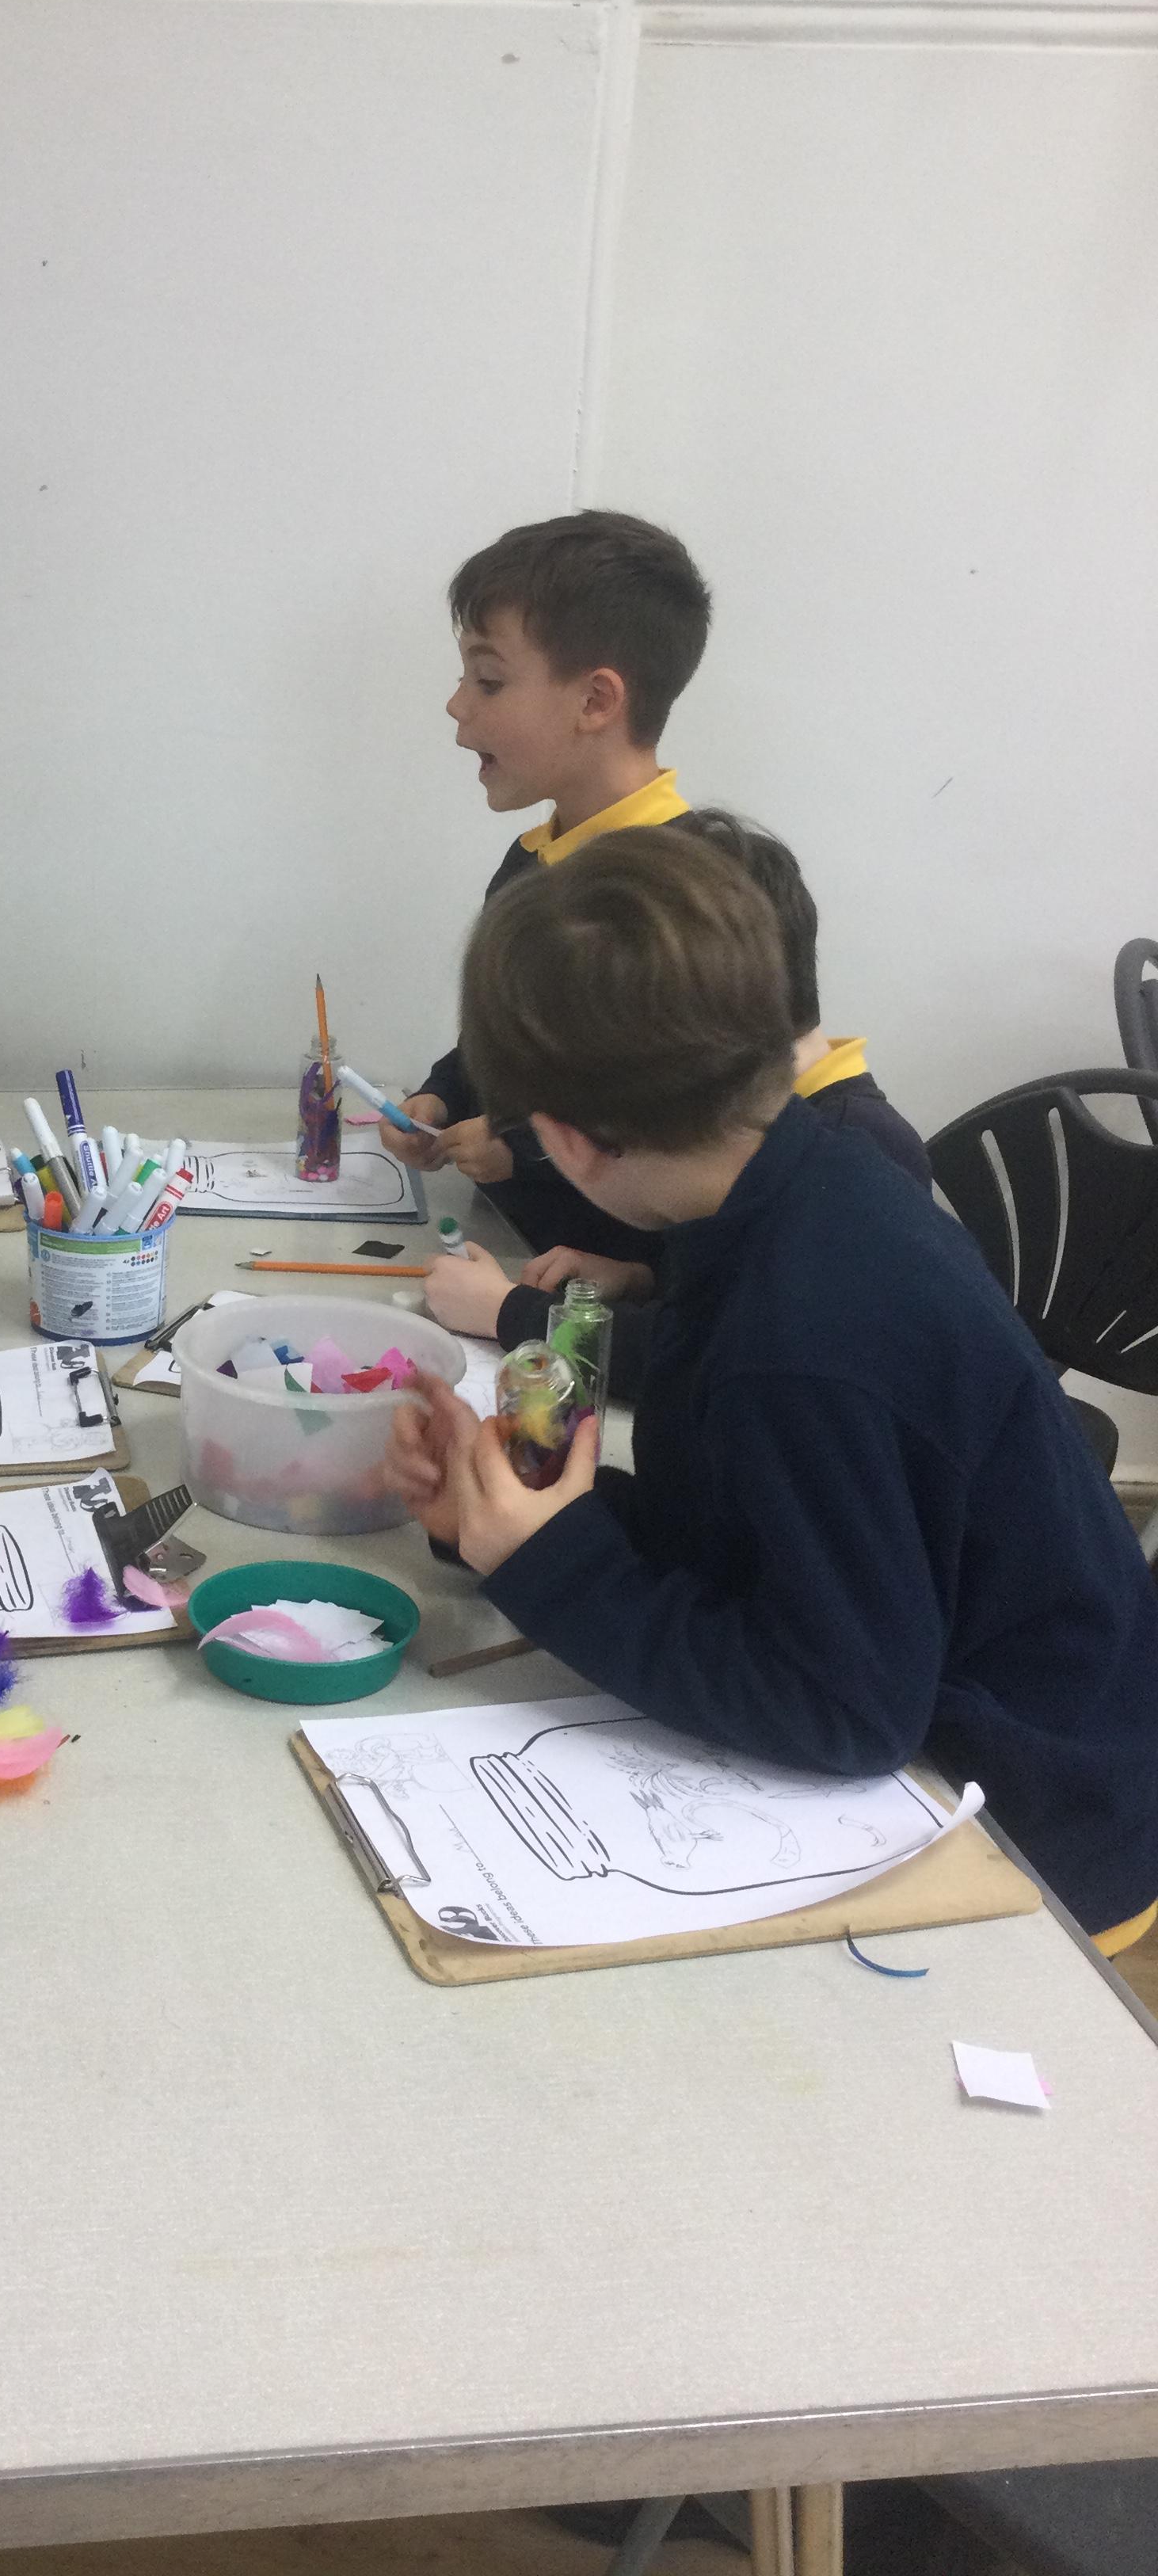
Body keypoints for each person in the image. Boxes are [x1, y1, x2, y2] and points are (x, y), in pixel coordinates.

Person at [387, 833, 1158, 1943]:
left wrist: (552, 1562)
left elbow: (842, 1707)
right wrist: (514, 1520)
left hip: (1031, 1832)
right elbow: (754, 1540)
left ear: (564, 1142)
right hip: (936, 1705)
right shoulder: (789, 1187)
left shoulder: (803, 1331)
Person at [425, 810, 929, 1393]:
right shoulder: (752, 1145)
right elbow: (727, 1301)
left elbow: (721, 1353)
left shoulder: (858, 1153)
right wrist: (641, 1277)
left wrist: (513, 1314)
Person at [384, 510, 710, 1264]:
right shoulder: (533, 859)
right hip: (508, 1247)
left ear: (596, 702)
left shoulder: (694, 894)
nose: (457, 705)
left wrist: (519, 1149)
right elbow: (510, 1048)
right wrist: (445, 1097)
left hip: (609, 1285)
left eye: (489, 680)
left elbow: (682, 1121)